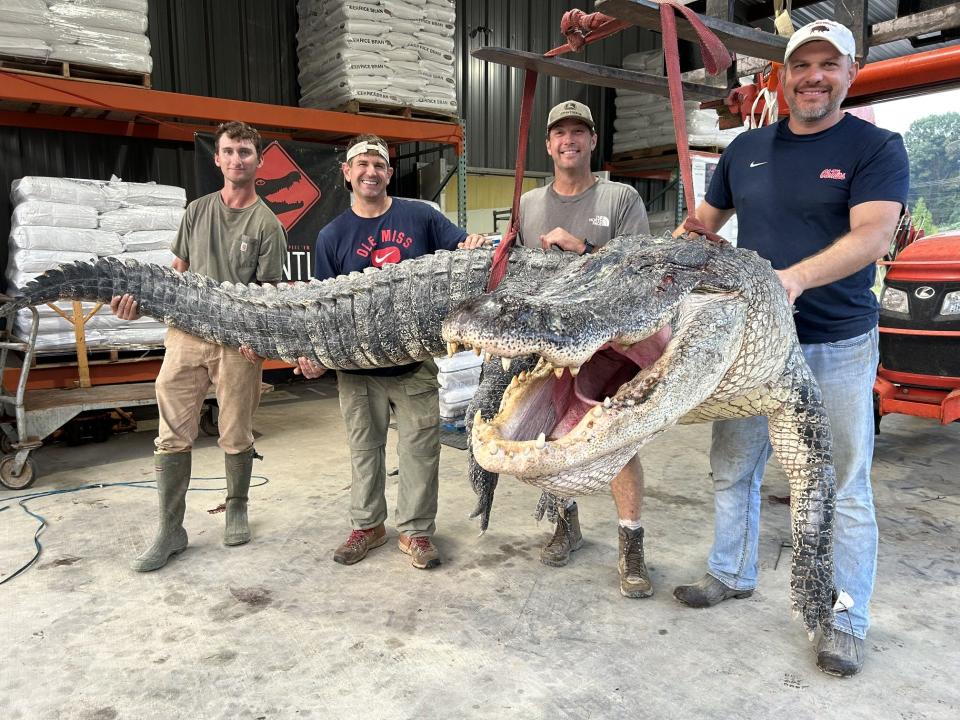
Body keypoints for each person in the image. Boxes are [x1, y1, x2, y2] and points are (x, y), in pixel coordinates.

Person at [672, 20, 909, 677]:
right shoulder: (746, 149)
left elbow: (874, 236)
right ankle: (731, 572)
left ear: (849, 73)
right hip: (751, 341)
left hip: (834, 341)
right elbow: (704, 225)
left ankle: (844, 619)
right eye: (800, 64)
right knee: (732, 463)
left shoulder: (876, 147)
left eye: (826, 65)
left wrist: (796, 279)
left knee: (839, 483)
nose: (812, 76)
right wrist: (676, 248)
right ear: (781, 74)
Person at [294, 134, 489, 570]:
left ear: (388, 172)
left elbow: (461, 248)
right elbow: (321, 308)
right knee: (365, 450)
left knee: (420, 450)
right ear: (347, 173)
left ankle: (417, 532)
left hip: (413, 364)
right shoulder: (332, 235)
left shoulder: (421, 216)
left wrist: (473, 245)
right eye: (361, 164)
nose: (370, 172)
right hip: (357, 371)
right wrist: (312, 354)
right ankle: (368, 526)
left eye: (378, 165)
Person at [112, 120, 287, 572]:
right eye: (229, 151)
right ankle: (170, 529)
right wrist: (138, 304)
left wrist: (257, 341)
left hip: (236, 344)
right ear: (217, 158)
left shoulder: (267, 223)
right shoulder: (197, 211)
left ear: (258, 160)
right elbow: (176, 273)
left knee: (235, 432)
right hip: (187, 337)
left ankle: (237, 507)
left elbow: (267, 295)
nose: (236, 159)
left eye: (245, 152)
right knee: (171, 433)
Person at [518, 100, 654, 599]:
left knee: (619, 443)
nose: (568, 140)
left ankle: (631, 546)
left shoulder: (620, 199)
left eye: (579, 131)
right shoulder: (530, 204)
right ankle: (565, 524)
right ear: (548, 143)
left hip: (610, 347)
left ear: (593, 141)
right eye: (559, 133)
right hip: (552, 343)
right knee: (551, 437)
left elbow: (642, 274)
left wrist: (585, 251)